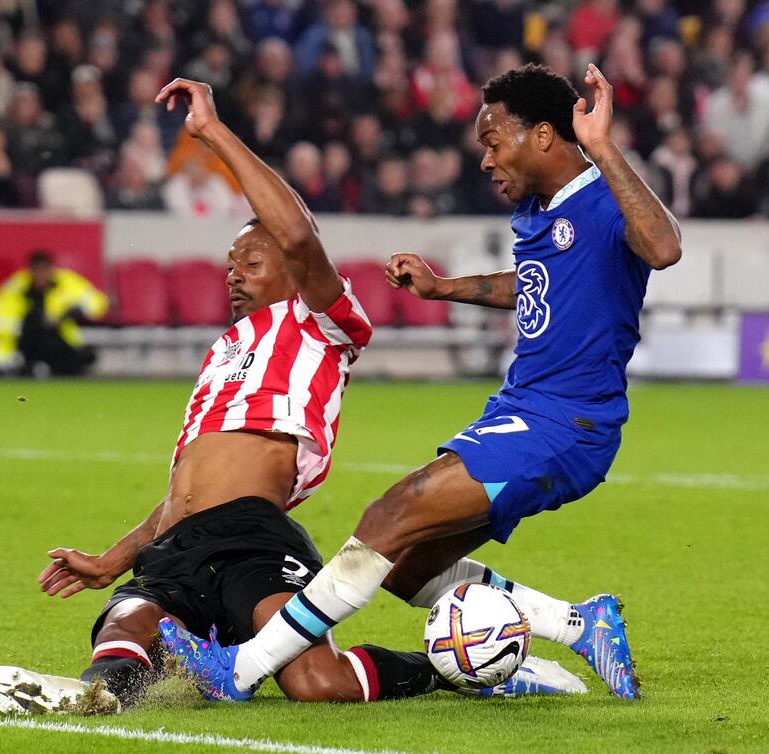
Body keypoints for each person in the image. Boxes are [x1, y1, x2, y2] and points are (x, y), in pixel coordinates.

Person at [0, 77, 585, 715]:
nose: (234, 275)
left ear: (293, 270)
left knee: (314, 684)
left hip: (255, 541)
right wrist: (111, 559)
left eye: (250, 262)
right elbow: (185, 490)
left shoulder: (323, 322)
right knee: (127, 623)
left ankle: (461, 671)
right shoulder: (224, 352)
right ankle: (100, 696)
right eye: (229, 267)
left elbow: (296, 234)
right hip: (176, 544)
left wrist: (213, 134)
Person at [166, 63, 682, 703]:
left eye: (494, 142)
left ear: (545, 135)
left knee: (389, 514)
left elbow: (663, 248)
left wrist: (604, 149)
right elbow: (532, 287)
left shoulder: (606, 196)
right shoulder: (534, 211)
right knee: (408, 568)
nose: (486, 160)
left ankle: (238, 671)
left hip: (564, 423)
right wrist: (445, 288)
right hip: (523, 409)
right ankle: (580, 624)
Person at [0, 251, 108, 377]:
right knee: (33, 321)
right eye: (37, 271)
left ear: (51, 269)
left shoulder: (67, 282)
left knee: (85, 357)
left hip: (60, 338)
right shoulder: (16, 288)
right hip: (28, 341)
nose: (41, 275)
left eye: (44, 270)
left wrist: (69, 313)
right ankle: (33, 367)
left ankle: (44, 368)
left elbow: (98, 304)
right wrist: (2, 359)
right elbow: (3, 327)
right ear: (30, 271)